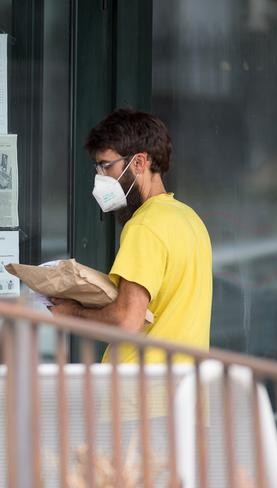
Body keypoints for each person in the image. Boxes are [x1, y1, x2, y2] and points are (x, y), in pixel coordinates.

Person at [49, 108, 212, 363]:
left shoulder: (144, 226)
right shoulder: (190, 220)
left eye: (106, 166)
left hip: (141, 392)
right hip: (182, 389)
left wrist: (73, 313)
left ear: (138, 162)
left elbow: (127, 320)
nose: (99, 177)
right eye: (97, 167)